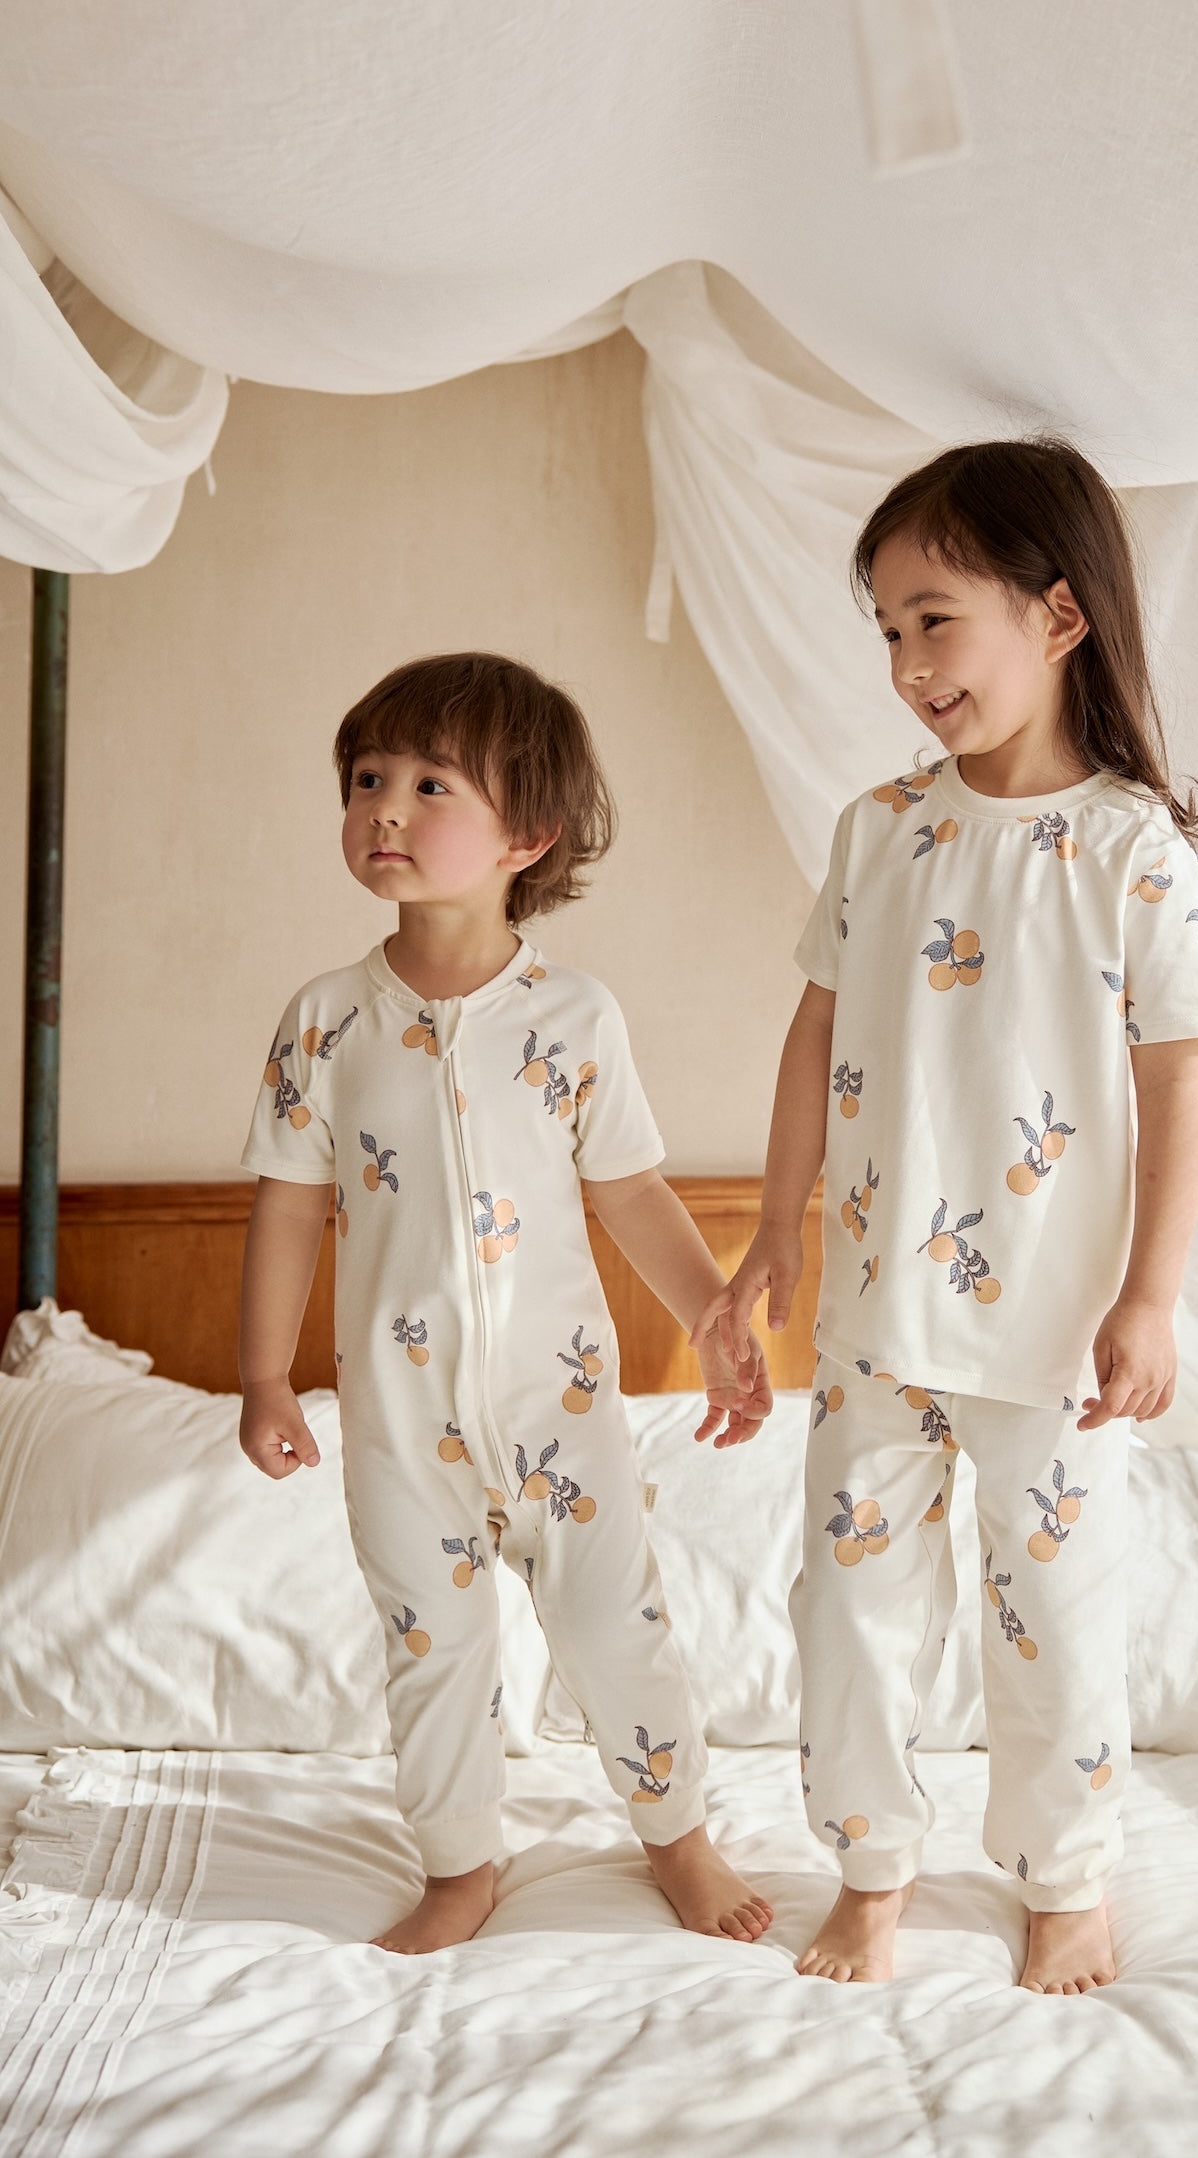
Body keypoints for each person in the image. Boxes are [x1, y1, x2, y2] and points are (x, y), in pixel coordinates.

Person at [701, 438, 1198, 1993]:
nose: (905, 663)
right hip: (876, 1313)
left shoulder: (1128, 847)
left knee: (1052, 1613)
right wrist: (778, 1230)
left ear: (1058, 615)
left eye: (933, 619)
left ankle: (1062, 1874)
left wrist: (1151, 1296)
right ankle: (870, 1865)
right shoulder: (879, 827)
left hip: (1053, 1330)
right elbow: (815, 1026)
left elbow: (1179, 1078)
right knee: (849, 1607)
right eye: (886, 629)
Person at [238, 651, 773, 1955]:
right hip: (398, 1417)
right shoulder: (326, 1022)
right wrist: (261, 1376)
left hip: (560, 1409)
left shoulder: (573, 1018)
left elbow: (630, 1190)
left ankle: (679, 1839)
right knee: (434, 1649)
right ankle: (459, 1864)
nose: (384, 807)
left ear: (526, 836)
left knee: (614, 1628)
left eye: (431, 785)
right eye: (368, 779)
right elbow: (289, 1206)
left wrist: (713, 1316)